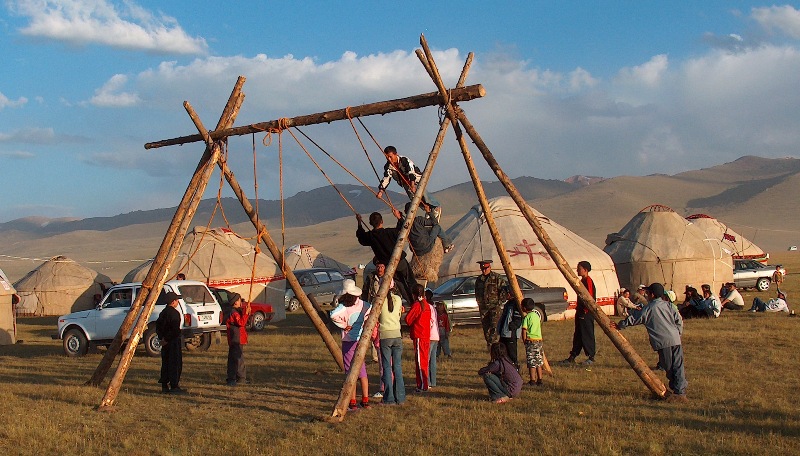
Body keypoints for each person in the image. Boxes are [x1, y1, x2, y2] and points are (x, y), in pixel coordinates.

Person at [613, 283, 688, 403]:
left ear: (652, 294)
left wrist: (620, 325)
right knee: (678, 365)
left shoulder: (649, 308)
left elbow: (635, 319)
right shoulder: (668, 305)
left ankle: (678, 391)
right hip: (675, 339)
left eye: (648, 293)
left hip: (663, 342)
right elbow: (679, 319)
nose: (646, 295)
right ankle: (680, 391)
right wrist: (678, 333)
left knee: (669, 366)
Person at [356, 211, 417, 305]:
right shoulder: (390, 232)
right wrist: (399, 218)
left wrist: (359, 222)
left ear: (371, 223)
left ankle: (412, 303)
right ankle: (418, 300)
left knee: (401, 284)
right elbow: (403, 229)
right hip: (400, 261)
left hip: (388, 266)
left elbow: (361, 237)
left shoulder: (371, 236)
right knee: (410, 280)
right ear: (382, 221)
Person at [330, 279, 372, 410]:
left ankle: (352, 402)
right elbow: (371, 310)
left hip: (348, 341)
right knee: (362, 371)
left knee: (350, 372)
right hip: (361, 340)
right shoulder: (363, 304)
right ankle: (365, 400)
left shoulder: (343, 307)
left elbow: (333, 315)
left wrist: (344, 325)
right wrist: (364, 321)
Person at [375, 145, 441, 219]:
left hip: (415, 180)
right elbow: (386, 178)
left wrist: (412, 185)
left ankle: (435, 207)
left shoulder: (404, 160)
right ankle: (428, 211)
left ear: (395, 154)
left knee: (422, 194)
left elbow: (411, 172)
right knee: (414, 200)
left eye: (390, 156)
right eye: (387, 157)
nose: (389, 159)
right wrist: (381, 191)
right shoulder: (388, 166)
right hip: (405, 183)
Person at [561, 260, 596, 366]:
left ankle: (591, 357)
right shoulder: (582, 281)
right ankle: (573, 356)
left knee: (587, 334)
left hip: (586, 312)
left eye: (579, 268)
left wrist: (585, 310)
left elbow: (589, 298)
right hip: (580, 311)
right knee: (578, 335)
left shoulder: (588, 281)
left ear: (585, 270)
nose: (577, 270)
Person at [378, 280, 405, 405]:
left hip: (385, 335)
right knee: (397, 367)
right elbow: (399, 314)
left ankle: (389, 398)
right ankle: (400, 397)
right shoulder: (398, 299)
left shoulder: (379, 301)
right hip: (397, 334)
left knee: (387, 367)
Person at [156, 291, 186, 394]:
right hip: (173, 342)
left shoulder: (163, 313)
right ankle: (174, 386)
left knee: (165, 363)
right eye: (177, 300)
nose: (178, 302)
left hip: (165, 342)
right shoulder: (174, 313)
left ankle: (164, 385)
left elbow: (158, 328)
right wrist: (167, 339)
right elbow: (175, 330)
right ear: (173, 302)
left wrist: (162, 339)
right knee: (175, 363)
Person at [405, 284, 432, 392]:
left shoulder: (417, 305)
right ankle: (424, 383)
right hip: (426, 335)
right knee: (424, 360)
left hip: (419, 335)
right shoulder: (426, 305)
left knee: (420, 362)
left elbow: (408, 319)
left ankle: (422, 385)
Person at [475, 260, 507, 347]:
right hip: (484, 308)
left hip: (494, 307)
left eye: (486, 268)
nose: (484, 270)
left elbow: (504, 291)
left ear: (490, 267)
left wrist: (499, 302)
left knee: (495, 326)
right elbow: (477, 292)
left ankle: (496, 345)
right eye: (482, 269)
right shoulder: (479, 280)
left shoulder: (497, 278)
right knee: (486, 328)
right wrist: (479, 303)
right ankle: (490, 345)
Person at [225, 292, 250, 386]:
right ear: (235, 302)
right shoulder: (233, 312)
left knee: (234, 359)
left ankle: (233, 378)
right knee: (237, 359)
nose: (241, 302)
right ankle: (238, 378)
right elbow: (241, 323)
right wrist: (246, 314)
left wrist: (247, 311)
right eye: (239, 300)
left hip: (235, 338)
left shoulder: (235, 311)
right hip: (236, 339)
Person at [521, 298, 544, 387]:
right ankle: (540, 379)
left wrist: (524, 340)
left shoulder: (526, 318)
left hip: (530, 341)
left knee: (531, 361)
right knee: (539, 360)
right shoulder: (536, 316)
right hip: (539, 341)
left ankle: (532, 380)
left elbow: (524, 330)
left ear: (524, 308)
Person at [497, 295, 523, 368]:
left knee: (512, 355)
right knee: (501, 352)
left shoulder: (516, 304)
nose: (506, 295)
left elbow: (518, 319)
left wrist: (512, 327)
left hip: (511, 334)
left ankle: (515, 369)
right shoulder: (508, 303)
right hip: (503, 333)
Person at [426, 289, 439, 388]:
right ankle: (433, 381)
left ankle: (428, 382)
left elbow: (429, 322)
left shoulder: (428, 307)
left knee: (427, 359)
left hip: (429, 336)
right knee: (432, 360)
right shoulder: (433, 307)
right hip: (435, 335)